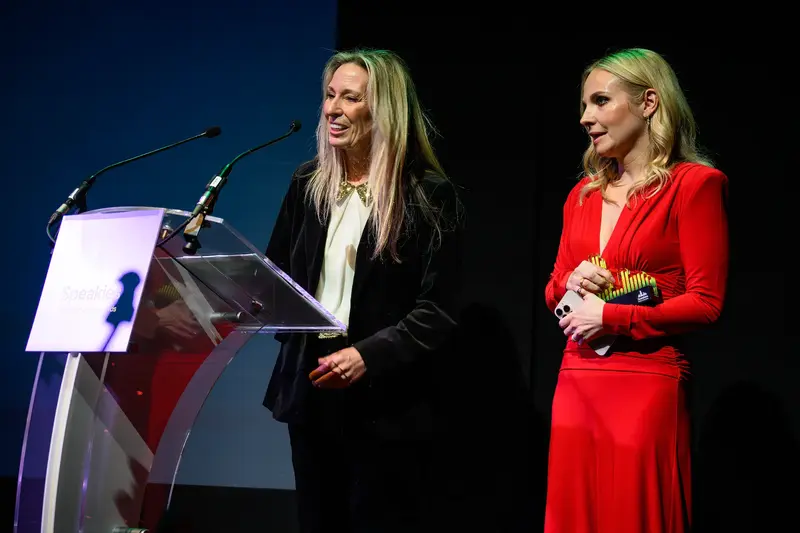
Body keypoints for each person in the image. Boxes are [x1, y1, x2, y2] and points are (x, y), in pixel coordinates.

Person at [262, 48, 462, 533]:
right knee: (316, 519)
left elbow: (437, 310)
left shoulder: (427, 194)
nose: (332, 109)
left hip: (386, 395)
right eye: (329, 96)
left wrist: (366, 355)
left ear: (384, 111)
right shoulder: (308, 183)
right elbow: (276, 277)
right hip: (311, 383)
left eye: (349, 98)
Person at [543, 48, 729, 533]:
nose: (586, 118)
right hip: (576, 380)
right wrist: (572, 281)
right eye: (585, 106)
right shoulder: (581, 195)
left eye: (601, 101)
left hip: (645, 381)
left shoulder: (696, 186)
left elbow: (707, 303)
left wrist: (612, 317)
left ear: (649, 102)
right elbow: (552, 291)